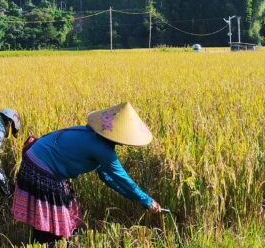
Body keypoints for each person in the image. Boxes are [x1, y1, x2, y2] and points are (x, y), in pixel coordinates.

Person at [12, 102, 161, 244]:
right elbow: (122, 179)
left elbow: (106, 177)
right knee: (53, 214)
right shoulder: (102, 149)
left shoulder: (91, 136)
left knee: (59, 210)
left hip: (34, 157)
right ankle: (49, 242)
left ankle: (47, 241)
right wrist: (147, 201)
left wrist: (137, 199)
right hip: (42, 167)